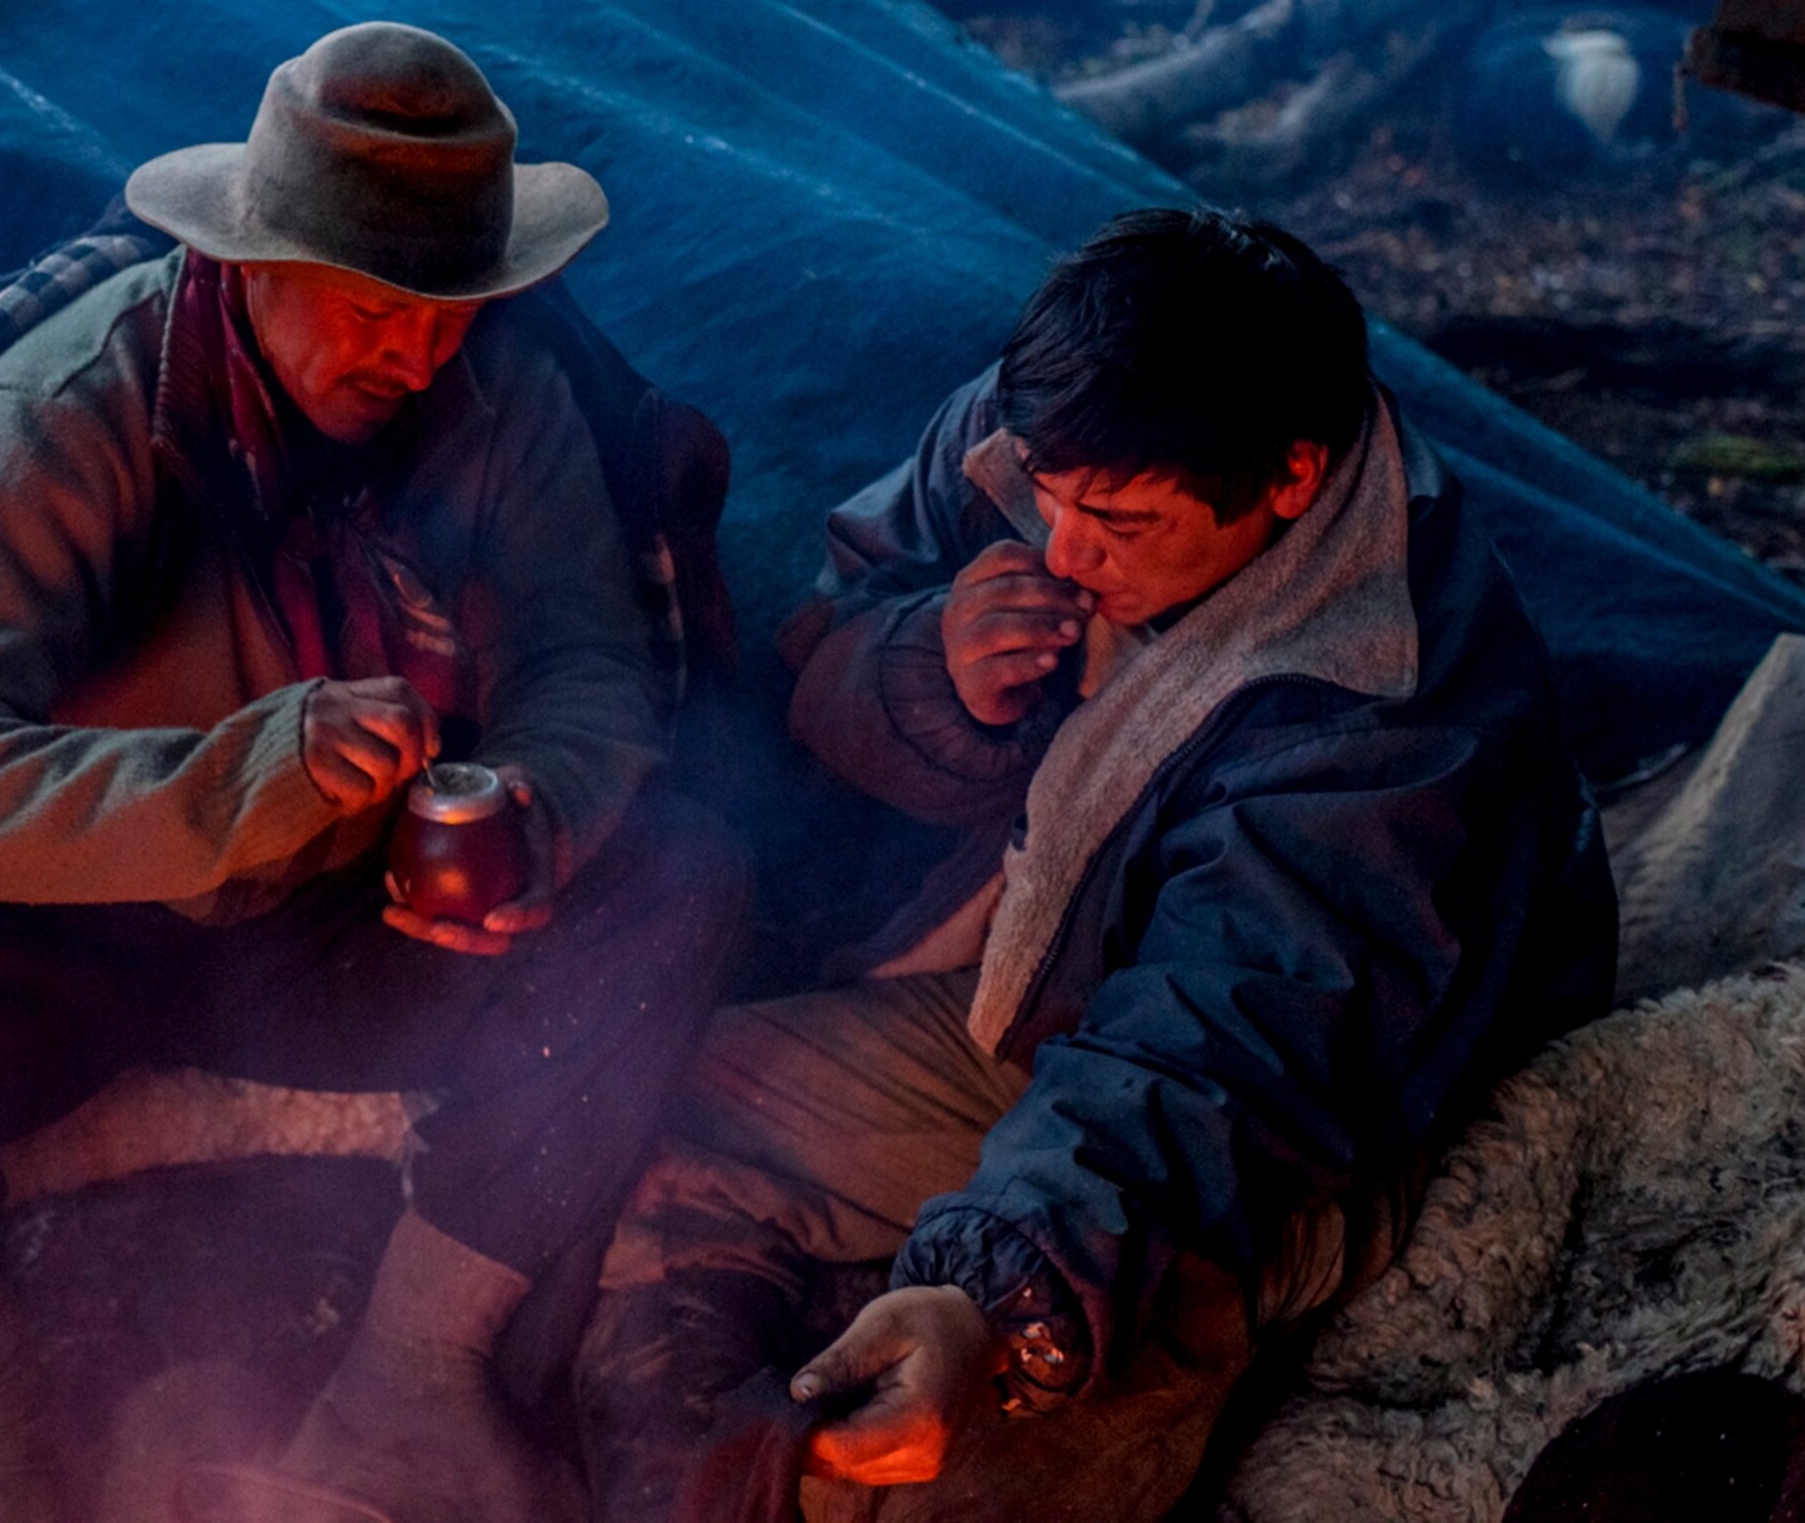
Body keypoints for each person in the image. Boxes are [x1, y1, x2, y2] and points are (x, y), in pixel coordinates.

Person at [0, 22, 746, 1523]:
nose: (421, 351)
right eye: (379, 307)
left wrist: (530, 810)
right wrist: (242, 777)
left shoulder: (497, 399)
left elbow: (588, 669)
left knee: (686, 877)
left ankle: (407, 1381)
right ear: (252, 266)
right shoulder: (69, 414)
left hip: (349, 928)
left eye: (453, 308)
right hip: (67, 931)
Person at [579, 209, 1615, 1522]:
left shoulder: (1388, 721)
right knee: (650, 1123)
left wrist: (996, 1299)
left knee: (960, 1442)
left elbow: (1211, 1063)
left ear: (1291, 478)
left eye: (1117, 522)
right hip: (1045, 994)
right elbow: (826, 629)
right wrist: (928, 666)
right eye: (1050, 499)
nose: (1062, 550)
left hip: (1274, 1134)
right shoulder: (1059, 434)